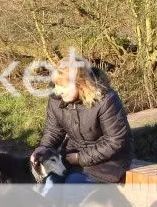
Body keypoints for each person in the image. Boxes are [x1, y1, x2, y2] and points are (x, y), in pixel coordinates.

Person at [31, 56, 133, 185]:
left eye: (63, 86)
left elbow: (116, 140)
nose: (57, 90)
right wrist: (42, 149)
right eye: (56, 84)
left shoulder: (107, 99)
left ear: (81, 83)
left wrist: (80, 158)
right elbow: (53, 131)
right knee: (51, 184)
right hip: (72, 155)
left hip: (107, 162)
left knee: (72, 187)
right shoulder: (57, 98)